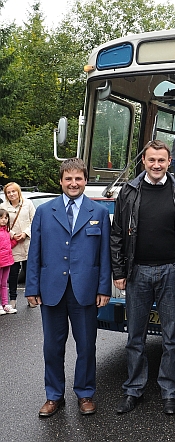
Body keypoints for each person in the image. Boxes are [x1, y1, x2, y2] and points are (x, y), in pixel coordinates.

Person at [110, 139, 175, 416]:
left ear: (170, 163)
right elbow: (117, 234)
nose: (156, 165)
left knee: (172, 337)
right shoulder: (129, 191)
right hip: (137, 273)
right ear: (143, 162)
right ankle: (133, 389)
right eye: (151, 160)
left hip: (172, 271)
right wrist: (119, 272)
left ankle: (170, 391)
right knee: (135, 336)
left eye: (161, 160)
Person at [25, 158, 111, 418]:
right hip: (52, 288)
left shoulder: (98, 213)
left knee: (86, 346)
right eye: (68, 179)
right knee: (52, 346)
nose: (73, 183)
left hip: (85, 289)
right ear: (61, 181)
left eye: (79, 178)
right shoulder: (44, 211)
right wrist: (31, 288)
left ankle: (85, 393)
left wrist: (104, 288)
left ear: (86, 180)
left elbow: (104, 254)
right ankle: (53, 396)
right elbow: (35, 252)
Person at [0, 182, 36, 309]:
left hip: (27, 243)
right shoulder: (2, 206)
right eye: (8, 192)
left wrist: (26, 233)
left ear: (18, 191)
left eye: (13, 191)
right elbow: (2, 224)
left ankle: (30, 297)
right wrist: (13, 234)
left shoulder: (28, 204)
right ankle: (13, 299)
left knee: (29, 272)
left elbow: (35, 221)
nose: (11, 194)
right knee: (13, 274)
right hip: (12, 245)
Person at [0, 208, 18, 314]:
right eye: (1, 218)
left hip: (7, 261)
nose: (4, 220)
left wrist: (15, 241)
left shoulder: (7, 231)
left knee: (4, 283)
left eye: (6, 218)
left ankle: (5, 304)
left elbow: (8, 245)